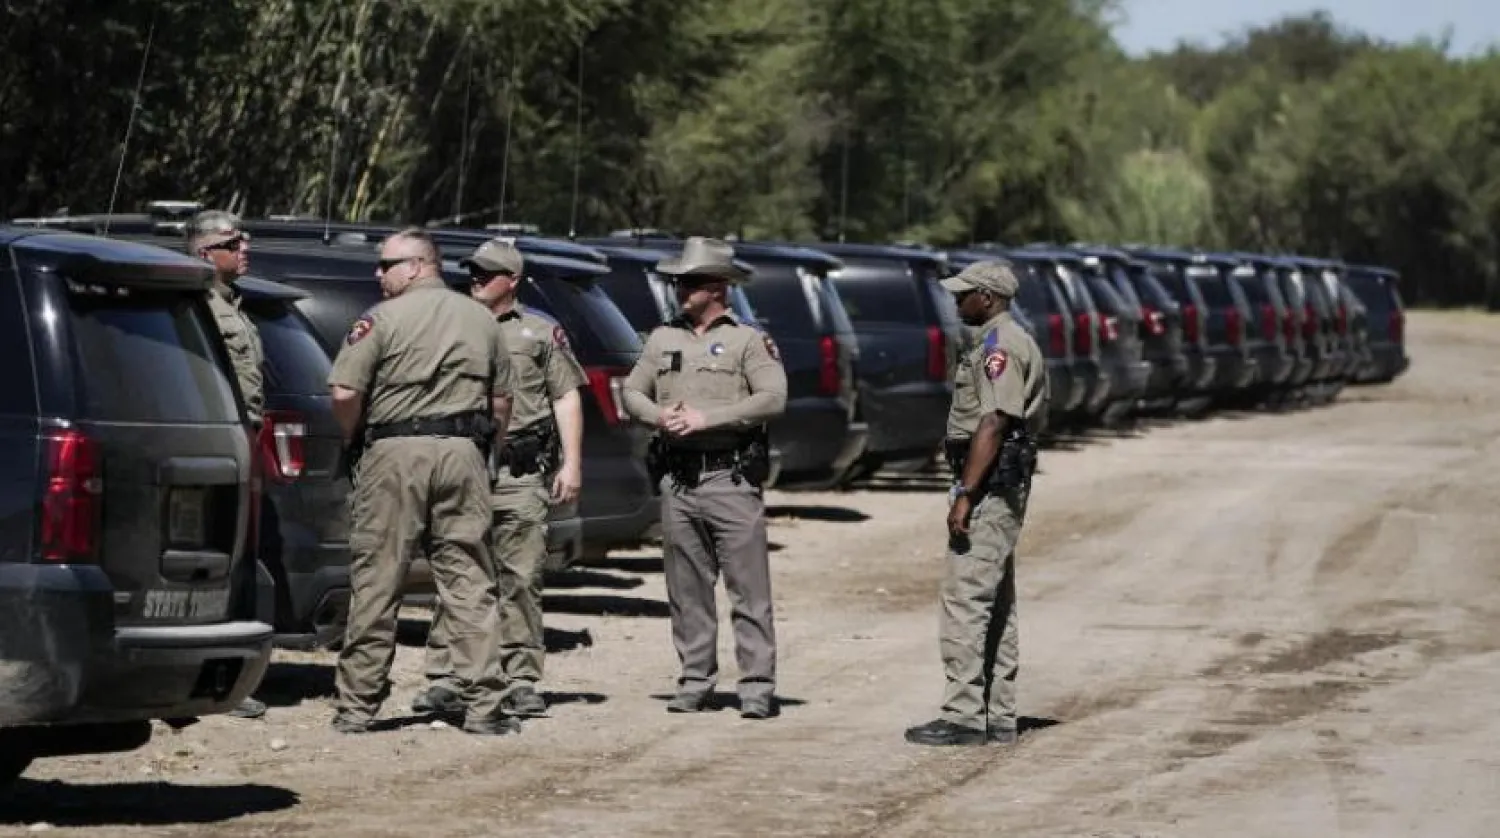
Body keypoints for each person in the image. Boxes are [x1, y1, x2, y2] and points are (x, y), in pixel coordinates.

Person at [325, 227, 518, 735]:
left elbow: (345, 391)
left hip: (394, 453)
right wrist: (484, 448)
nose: (378, 273)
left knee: (378, 578)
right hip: (464, 454)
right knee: (470, 579)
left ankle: (357, 706)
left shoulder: (381, 318)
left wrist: (355, 438)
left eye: (386, 264)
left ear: (416, 266)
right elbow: (501, 401)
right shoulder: (483, 319)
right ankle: (485, 706)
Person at [413, 238, 586, 719]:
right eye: (471, 271)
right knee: (457, 573)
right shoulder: (448, 323)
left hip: (518, 471)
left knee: (521, 576)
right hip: (461, 467)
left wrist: (571, 463)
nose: (475, 279)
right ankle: (447, 675)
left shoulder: (539, 332)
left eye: (486, 273)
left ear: (512, 280)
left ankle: (521, 677)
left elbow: (566, 397)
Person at [620, 236, 787, 720]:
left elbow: (773, 398)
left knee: (747, 589)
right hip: (679, 480)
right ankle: (695, 679)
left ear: (717, 286)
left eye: (689, 282)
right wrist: (656, 415)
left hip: (729, 478)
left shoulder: (747, 341)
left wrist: (707, 419)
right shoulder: (662, 338)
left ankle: (756, 685)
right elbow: (632, 390)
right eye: (677, 281)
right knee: (686, 589)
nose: (679, 289)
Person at [905, 259, 1049, 747]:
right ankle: (998, 713)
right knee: (995, 601)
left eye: (963, 293)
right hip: (996, 483)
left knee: (965, 599)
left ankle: (964, 716)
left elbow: (993, 422)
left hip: (990, 485)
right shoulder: (1001, 340)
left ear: (986, 297)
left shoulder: (1000, 345)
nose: (955, 300)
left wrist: (965, 494)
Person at [187, 210, 269, 721]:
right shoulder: (197, 307)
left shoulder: (233, 305)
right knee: (217, 560)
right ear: (203, 253)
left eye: (245, 239)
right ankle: (212, 676)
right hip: (215, 444)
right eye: (233, 241)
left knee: (240, 560)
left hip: (243, 441)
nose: (245, 247)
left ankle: (226, 675)